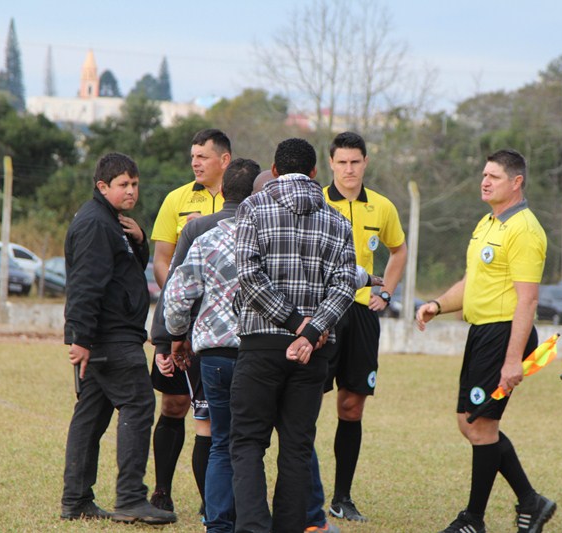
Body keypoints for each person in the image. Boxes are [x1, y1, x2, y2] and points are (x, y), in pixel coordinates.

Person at [416, 149, 555, 533]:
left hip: (504, 334)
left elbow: (527, 299)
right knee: (471, 422)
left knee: (479, 425)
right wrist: (437, 304)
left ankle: (473, 520)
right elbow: (472, 281)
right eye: (483, 174)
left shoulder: (525, 230)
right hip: (482, 333)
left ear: (516, 182)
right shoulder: (488, 223)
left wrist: (513, 360)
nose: (485, 181)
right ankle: (530, 500)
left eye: (494, 176)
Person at [231, 138, 357, 533]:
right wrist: (312, 329)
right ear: (316, 173)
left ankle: (252, 528)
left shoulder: (253, 208)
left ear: (273, 169)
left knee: (248, 443)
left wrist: (293, 323)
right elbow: (345, 286)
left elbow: (249, 277)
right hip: (314, 354)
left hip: (261, 345)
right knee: (297, 447)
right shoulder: (339, 220)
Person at [60, 152, 176, 525]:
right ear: (102, 186)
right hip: (110, 336)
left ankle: (76, 499)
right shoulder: (96, 223)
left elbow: (124, 268)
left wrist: (141, 239)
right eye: (123, 185)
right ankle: (130, 498)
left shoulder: (114, 222)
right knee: (139, 407)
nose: (131, 191)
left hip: (109, 335)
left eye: (134, 184)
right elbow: (85, 284)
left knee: (91, 418)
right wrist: (79, 336)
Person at [161, 158, 259, 533]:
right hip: (255, 353)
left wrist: (177, 336)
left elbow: (176, 297)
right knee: (250, 444)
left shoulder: (204, 239)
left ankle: (217, 522)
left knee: (220, 441)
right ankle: (253, 519)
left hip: (213, 355)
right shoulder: (263, 238)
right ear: (256, 195)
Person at [318, 131, 407, 524]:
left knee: (351, 405)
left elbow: (399, 250)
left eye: (356, 162)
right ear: (331, 164)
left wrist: (385, 292)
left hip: (362, 316)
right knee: (302, 403)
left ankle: (341, 497)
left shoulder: (383, 207)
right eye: (342, 162)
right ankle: (298, 493)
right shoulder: (315, 202)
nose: (349, 169)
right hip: (322, 314)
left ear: (365, 163)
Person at [148, 129, 231, 514]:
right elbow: (162, 257)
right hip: (183, 317)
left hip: (218, 328)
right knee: (174, 404)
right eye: (193, 156)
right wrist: (183, 292)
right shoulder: (177, 199)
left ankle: (209, 503)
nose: (195, 162)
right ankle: (162, 492)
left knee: (211, 415)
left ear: (224, 160)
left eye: (203, 156)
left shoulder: (242, 200)